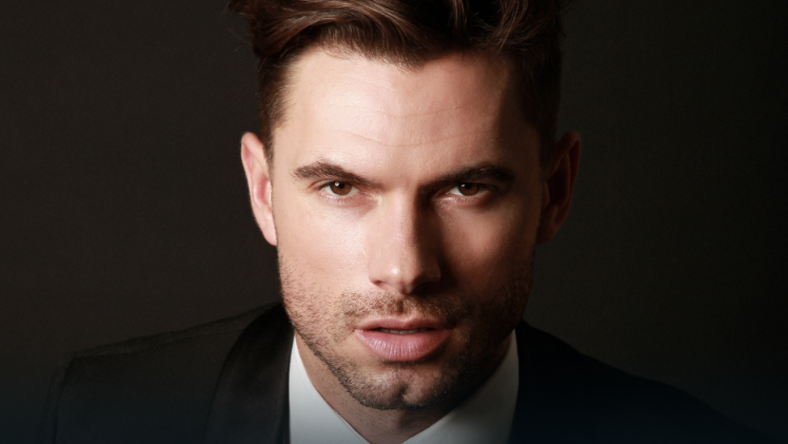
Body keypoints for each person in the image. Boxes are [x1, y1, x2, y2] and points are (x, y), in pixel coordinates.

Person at [36, 0, 779, 443]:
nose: (405, 268)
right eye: (340, 187)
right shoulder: (97, 418)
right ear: (263, 192)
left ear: (554, 191)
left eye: (465, 188)